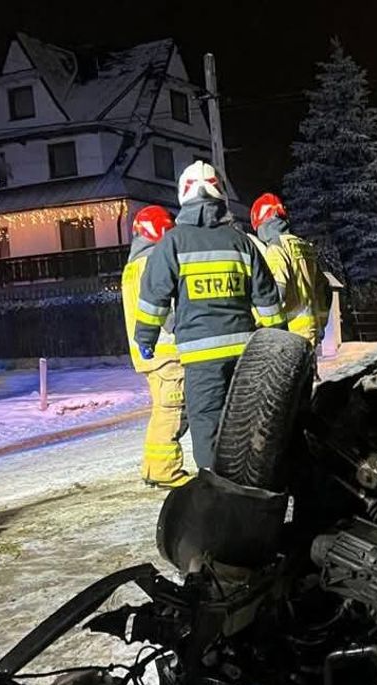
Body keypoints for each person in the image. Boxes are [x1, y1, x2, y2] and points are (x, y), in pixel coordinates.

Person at [135, 160, 281, 470]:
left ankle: (217, 488)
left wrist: (144, 337)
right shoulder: (242, 242)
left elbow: (154, 296)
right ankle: (251, 477)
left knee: (207, 422)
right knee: (244, 419)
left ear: (183, 196)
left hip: (201, 358)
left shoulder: (172, 243)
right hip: (245, 354)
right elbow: (267, 298)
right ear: (220, 196)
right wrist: (276, 335)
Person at [122, 205, 189, 488]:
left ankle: (152, 467)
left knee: (163, 409)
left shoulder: (133, 265)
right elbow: (163, 306)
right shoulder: (153, 263)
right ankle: (166, 471)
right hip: (167, 351)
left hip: (150, 351)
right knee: (173, 410)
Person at [248, 193, 331, 345]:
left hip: (290, 334)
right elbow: (324, 289)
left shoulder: (276, 248)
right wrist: (321, 323)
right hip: (310, 330)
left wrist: (259, 319)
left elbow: (278, 292)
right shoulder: (303, 245)